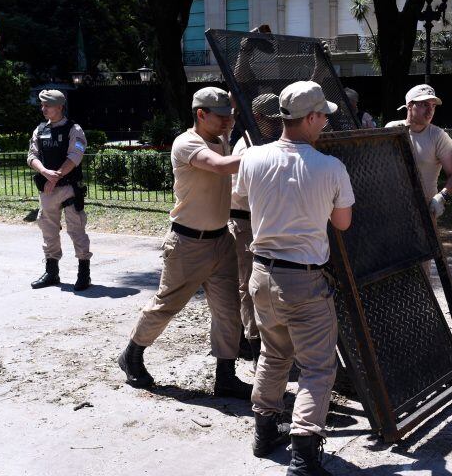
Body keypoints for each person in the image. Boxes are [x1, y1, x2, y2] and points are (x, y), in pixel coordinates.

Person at [234, 81, 354, 474]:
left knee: (274, 353)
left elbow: (242, 202)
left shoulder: (252, 158)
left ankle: (265, 431)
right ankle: (304, 453)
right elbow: (342, 222)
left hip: (262, 275)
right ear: (311, 117)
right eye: (324, 117)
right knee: (319, 367)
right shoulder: (331, 167)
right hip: (303, 279)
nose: (326, 124)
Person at [118, 87, 252, 401]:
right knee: (166, 305)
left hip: (221, 241)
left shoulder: (219, 137)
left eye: (228, 116)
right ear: (201, 115)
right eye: (221, 117)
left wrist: (239, 78)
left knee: (228, 311)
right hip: (188, 244)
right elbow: (219, 166)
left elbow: (231, 105)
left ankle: (226, 376)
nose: (228, 121)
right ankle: (132, 354)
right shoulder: (187, 142)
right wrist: (264, 153)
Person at [229, 92, 283, 367]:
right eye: (272, 121)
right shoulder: (247, 146)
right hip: (246, 221)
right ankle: (253, 342)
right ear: (258, 117)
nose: (277, 125)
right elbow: (242, 192)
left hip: (265, 220)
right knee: (248, 283)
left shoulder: (267, 143)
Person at [27, 89, 92, 291]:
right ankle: (51, 272)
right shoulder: (39, 130)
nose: (43, 109)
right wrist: (45, 172)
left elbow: (75, 156)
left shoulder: (74, 130)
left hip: (69, 189)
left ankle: (84, 274)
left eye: (47, 105)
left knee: (76, 230)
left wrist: (55, 178)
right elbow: (31, 156)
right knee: (48, 230)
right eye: (42, 105)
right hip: (47, 190)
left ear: (59, 107)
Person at [385, 84, 452, 218]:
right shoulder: (391, 129)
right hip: (391, 209)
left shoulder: (438, 136)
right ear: (409, 105)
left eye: (433, 106)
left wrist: (441, 197)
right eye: (425, 105)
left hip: (423, 213)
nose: (430, 111)